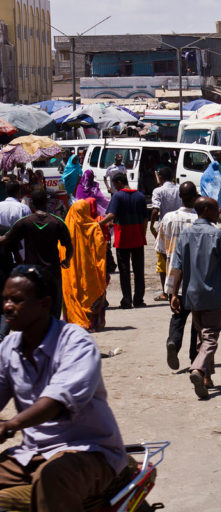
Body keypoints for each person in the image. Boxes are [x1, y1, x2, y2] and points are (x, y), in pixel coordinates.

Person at [0, 265, 128, 512]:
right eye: (4, 299)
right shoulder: (10, 347)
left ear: (44, 304)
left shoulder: (76, 343)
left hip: (89, 451)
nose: (7, 307)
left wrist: (11, 424)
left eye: (17, 300)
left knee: (52, 478)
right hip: (32, 453)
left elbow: (56, 401)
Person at [170, 197, 221, 399]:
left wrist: (174, 293)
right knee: (211, 336)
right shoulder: (216, 235)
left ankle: (207, 379)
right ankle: (198, 369)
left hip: (192, 294)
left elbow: (177, 267)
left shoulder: (185, 234)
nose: (218, 212)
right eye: (216, 209)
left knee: (202, 336)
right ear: (206, 210)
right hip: (212, 293)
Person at [0, 190, 72, 320]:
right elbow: (69, 245)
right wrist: (67, 260)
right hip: (53, 271)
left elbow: (6, 239)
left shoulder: (25, 222)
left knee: (33, 306)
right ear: (47, 202)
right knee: (54, 306)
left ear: (32, 203)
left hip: (32, 273)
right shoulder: (57, 222)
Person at [156, 182, 200, 370]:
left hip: (174, 277)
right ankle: (194, 357)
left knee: (177, 315)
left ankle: (173, 341)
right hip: (197, 278)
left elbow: (160, 248)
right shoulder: (200, 219)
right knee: (197, 321)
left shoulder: (168, 218)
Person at [99, 173, 148, 309]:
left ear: (119, 182)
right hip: (138, 237)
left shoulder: (118, 196)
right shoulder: (140, 196)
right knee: (139, 270)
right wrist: (142, 234)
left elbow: (112, 215)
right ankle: (138, 299)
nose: (114, 187)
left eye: (114, 184)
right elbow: (145, 219)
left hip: (123, 238)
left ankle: (126, 300)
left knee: (124, 270)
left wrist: (99, 224)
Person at [61, 199, 108, 333]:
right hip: (90, 271)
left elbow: (60, 249)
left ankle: (71, 320)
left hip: (70, 269)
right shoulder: (94, 227)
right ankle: (92, 322)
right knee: (89, 293)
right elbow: (100, 249)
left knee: (72, 291)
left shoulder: (66, 227)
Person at [149, 167, 182, 301]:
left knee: (163, 260)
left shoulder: (158, 191)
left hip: (164, 227)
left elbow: (155, 210)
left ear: (160, 178)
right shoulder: (179, 189)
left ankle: (165, 291)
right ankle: (178, 288)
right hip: (179, 224)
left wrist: (151, 226)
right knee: (179, 257)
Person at [200, 151, 221, 230]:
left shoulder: (218, 165)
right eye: (220, 156)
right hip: (214, 193)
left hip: (218, 191)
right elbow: (215, 178)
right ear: (217, 156)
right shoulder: (215, 165)